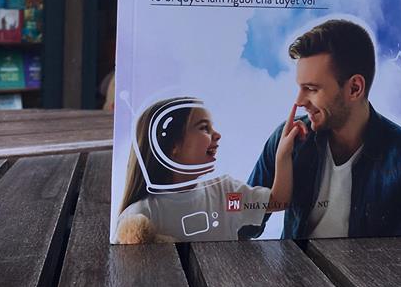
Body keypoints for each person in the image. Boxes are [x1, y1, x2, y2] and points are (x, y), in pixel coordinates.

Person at [248, 19, 401, 239]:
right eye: (300, 87)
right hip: (295, 261)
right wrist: (280, 175)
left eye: (312, 89)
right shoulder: (287, 141)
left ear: (354, 88)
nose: (299, 101)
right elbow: (244, 228)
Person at [115, 96, 299, 243]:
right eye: (204, 128)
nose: (217, 135)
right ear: (173, 146)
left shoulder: (226, 193)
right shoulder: (141, 215)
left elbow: (278, 202)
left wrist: (282, 154)